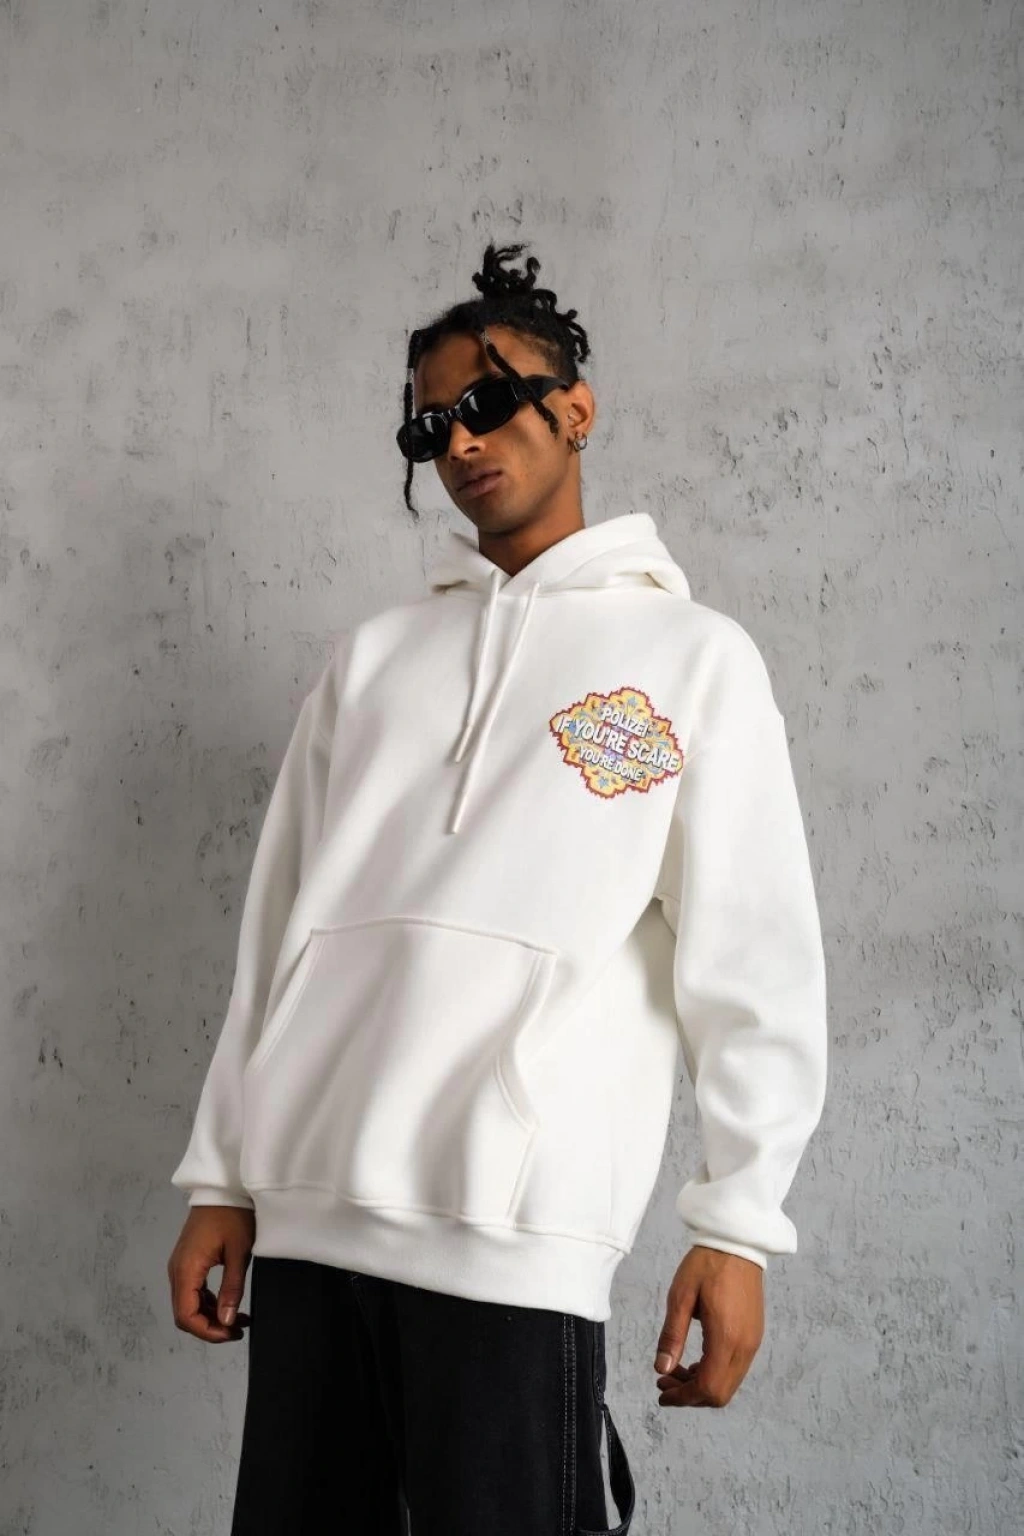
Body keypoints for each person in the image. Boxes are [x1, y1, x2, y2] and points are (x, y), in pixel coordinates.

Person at [167, 240, 828, 1535]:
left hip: (514, 1241)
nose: (460, 441)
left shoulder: (688, 662)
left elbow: (753, 957)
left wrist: (739, 1224)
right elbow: (277, 936)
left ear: (576, 409)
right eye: (430, 426)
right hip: (308, 1233)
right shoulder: (372, 661)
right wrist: (222, 1182)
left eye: (487, 400)